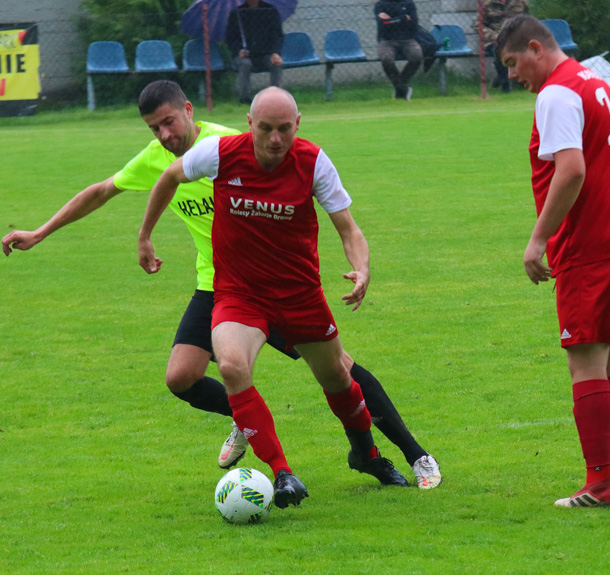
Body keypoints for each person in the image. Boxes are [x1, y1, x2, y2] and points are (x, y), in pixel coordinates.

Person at [1, 80, 442, 490]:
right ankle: (250, 418)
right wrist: (40, 233)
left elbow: (324, 207)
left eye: (169, 122)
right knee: (182, 377)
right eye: (154, 128)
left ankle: (411, 452)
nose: (164, 135)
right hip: (221, 286)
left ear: (188, 111)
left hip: (281, 283)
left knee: (341, 371)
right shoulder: (159, 158)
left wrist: (357, 266)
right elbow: (101, 191)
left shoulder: (230, 144)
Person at [137, 86, 405, 506]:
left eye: (284, 129)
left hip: (299, 294)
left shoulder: (314, 162)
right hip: (239, 293)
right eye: (266, 129)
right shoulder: (220, 153)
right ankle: (282, 473)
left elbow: (348, 228)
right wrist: (145, 235)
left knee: (337, 377)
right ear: (249, 124)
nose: (275, 139)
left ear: (297, 125)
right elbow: (169, 177)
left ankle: (366, 454)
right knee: (230, 365)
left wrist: (362, 267)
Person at [496, 15, 610, 508]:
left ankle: (599, 485)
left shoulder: (556, 93)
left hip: (593, 242)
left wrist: (538, 239)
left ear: (536, 48)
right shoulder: (595, 82)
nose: (511, 74)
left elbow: (571, 170)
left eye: (512, 61)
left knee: (585, 358)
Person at [226, 0, 284, 104]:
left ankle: (276, 97)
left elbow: (277, 35)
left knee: (276, 64)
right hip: (245, 56)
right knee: (245, 64)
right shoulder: (237, 13)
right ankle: (245, 98)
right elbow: (230, 38)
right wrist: (238, 50)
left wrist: (276, 53)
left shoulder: (270, 11)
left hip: (266, 54)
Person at [477, 0, 529, 93]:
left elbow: (527, 21)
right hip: (495, 40)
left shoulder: (519, 2)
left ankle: (501, 78)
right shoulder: (487, 4)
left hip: (515, 39)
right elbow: (479, 25)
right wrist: (492, 35)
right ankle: (505, 85)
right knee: (501, 51)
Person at [374, 0, 422, 100]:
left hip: (408, 39)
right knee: (386, 58)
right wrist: (404, 18)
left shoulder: (408, 3)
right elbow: (383, 24)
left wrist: (391, 20)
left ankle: (400, 86)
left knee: (416, 55)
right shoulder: (380, 5)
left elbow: (413, 23)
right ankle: (402, 88)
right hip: (387, 40)